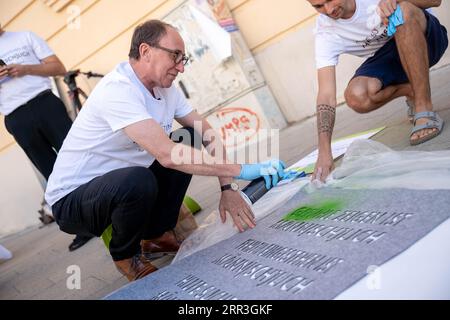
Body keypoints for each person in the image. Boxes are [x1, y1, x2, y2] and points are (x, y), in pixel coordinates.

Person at [44, 20, 286, 281]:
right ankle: (125, 255)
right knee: (141, 177)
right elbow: (167, 154)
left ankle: (157, 236)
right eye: (175, 56)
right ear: (146, 51)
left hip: (124, 181)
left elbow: (206, 133)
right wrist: (242, 170)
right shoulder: (117, 89)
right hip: (73, 200)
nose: (181, 67)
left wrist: (228, 188)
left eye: (184, 59)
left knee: (188, 137)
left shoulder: (165, 88)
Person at [307, 0, 448, 182]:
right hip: (389, 57)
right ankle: (412, 90)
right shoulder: (325, 32)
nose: (328, 9)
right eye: (318, 6)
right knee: (356, 96)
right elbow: (326, 94)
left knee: (402, 12)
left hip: (427, 38)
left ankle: (423, 107)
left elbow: (435, 1)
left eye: (329, 0)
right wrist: (324, 151)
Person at [0, 23, 93, 251]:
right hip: (15, 117)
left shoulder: (24, 36)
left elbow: (58, 67)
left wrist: (25, 69)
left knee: (80, 158)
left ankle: (109, 206)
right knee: (52, 173)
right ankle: (82, 227)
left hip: (45, 103)